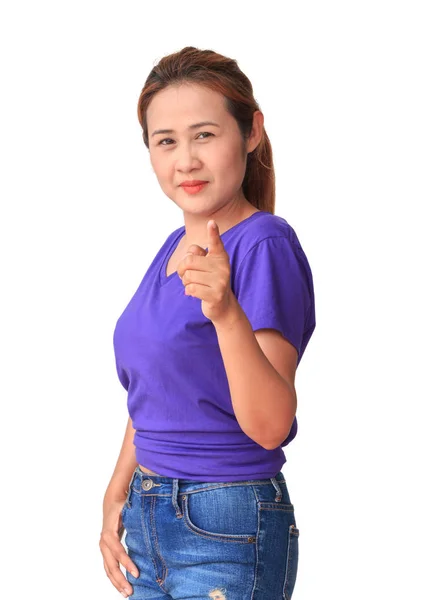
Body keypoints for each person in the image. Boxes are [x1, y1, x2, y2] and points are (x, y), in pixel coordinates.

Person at [99, 46, 316, 600]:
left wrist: (225, 314)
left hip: (226, 519)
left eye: (204, 135)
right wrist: (116, 494)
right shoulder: (173, 248)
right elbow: (159, 394)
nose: (185, 161)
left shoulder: (264, 243)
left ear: (251, 133)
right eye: (165, 141)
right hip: (149, 519)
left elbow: (270, 424)